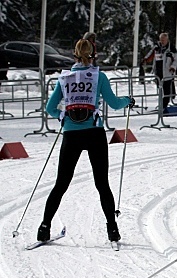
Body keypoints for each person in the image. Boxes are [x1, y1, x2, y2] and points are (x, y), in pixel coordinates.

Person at [38, 39, 134, 243]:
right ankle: (112, 230)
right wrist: (128, 100)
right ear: (93, 55)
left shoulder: (64, 78)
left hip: (71, 134)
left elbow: (50, 108)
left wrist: (62, 116)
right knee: (102, 184)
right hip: (94, 133)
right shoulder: (99, 76)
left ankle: (44, 227)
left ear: (74, 55)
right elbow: (115, 104)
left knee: (61, 183)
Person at [142, 33, 177, 112]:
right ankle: (162, 105)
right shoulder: (156, 48)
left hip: (167, 73)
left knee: (166, 91)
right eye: (161, 39)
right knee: (160, 91)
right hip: (158, 73)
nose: (162, 41)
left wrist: (173, 67)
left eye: (164, 40)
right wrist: (145, 60)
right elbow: (150, 55)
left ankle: (163, 106)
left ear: (167, 40)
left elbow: (176, 60)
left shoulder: (172, 49)